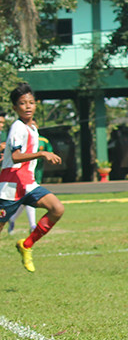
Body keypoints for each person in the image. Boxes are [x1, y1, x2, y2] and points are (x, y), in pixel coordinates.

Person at [0, 84, 64, 272]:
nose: (27, 106)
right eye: (22, 103)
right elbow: (17, 156)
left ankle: (26, 245)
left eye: (31, 102)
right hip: (10, 186)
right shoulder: (17, 127)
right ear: (15, 108)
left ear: (36, 105)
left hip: (28, 183)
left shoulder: (32, 128)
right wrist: (42, 154)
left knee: (57, 209)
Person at [8, 119, 50, 235]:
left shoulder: (42, 140)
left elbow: (50, 151)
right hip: (20, 174)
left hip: (35, 171)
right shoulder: (19, 133)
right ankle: (32, 225)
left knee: (26, 200)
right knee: (26, 199)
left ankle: (13, 219)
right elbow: (15, 155)